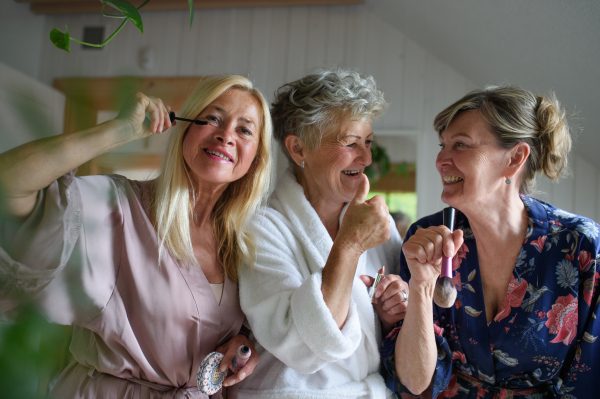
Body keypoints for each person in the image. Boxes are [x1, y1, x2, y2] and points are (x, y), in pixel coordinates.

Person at [0, 75, 273, 399]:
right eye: (212, 117)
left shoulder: (242, 245)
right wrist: (118, 130)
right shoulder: (118, 209)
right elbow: (8, 186)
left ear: (256, 157)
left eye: (244, 129)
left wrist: (241, 345)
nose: (226, 135)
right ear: (185, 127)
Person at [382, 85, 600, 398]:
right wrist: (420, 285)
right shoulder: (426, 239)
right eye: (442, 145)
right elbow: (416, 383)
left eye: (460, 145)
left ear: (514, 158)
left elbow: (590, 377)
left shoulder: (581, 246)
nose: (441, 160)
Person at [236, 68, 409, 399]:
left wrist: (391, 313)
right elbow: (302, 346)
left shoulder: (375, 225)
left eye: (368, 143)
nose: (367, 157)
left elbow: (384, 340)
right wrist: (350, 244)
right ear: (299, 149)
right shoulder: (260, 229)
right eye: (351, 143)